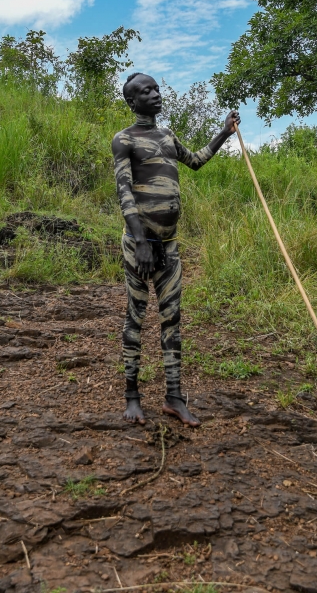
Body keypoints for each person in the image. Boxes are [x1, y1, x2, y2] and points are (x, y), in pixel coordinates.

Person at [112, 72, 240, 426]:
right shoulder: (124, 140)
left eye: (155, 88)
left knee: (172, 320)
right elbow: (124, 193)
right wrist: (139, 242)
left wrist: (224, 133)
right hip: (140, 246)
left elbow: (196, 161)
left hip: (168, 247)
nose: (154, 94)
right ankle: (132, 396)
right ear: (132, 101)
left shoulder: (167, 135)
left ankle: (173, 398)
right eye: (144, 91)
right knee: (135, 318)